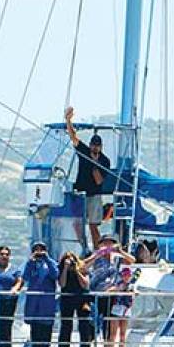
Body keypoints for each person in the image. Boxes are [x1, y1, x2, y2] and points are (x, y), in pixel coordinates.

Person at [64, 106, 114, 250]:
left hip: (94, 195)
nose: (95, 148)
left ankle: (97, 250)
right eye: (93, 145)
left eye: (97, 146)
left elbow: (99, 180)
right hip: (81, 193)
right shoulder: (84, 151)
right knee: (77, 222)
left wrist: (94, 164)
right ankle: (82, 246)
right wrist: (69, 121)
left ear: (101, 147)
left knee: (93, 224)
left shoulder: (105, 161)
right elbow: (73, 137)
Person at [22, 241, 60, 347]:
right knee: (35, 327)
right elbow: (25, 277)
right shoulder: (30, 264)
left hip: (47, 301)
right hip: (34, 302)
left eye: (41, 249)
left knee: (46, 327)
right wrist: (30, 262)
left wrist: (47, 258)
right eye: (36, 250)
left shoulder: (51, 263)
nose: (39, 252)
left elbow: (55, 275)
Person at [55, 251, 94, 347]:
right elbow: (62, 284)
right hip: (67, 298)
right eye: (67, 258)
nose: (69, 260)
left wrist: (77, 271)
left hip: (82, 299)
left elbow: (85, 284)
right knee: (66, 326)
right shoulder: (62, 269)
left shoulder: (82, 268)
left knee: (84, 326)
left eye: (71, 258)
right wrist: (66, 269)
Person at [107, 265, 134, 347]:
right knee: (113, 334)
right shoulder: (118, 284)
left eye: (128, 275)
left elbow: (135, 293)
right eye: (125, 275)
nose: (126, 277)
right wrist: (118, 289)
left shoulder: (132, 286)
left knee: (123, 334)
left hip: (126, 311)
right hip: (117, 310)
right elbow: (109, 290)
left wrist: (135, 293)